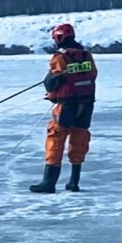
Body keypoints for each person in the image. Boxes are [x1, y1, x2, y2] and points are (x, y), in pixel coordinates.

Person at [29, 22, 97, 193]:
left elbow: (52, 81)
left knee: (56, 138)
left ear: (59, 38)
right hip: (87, 104)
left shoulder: (60, 57)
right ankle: (74, 182)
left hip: (67, 105)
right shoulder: (86, 55)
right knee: (79, 139)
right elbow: (92, 75)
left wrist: (52, 94)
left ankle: (49, 183)